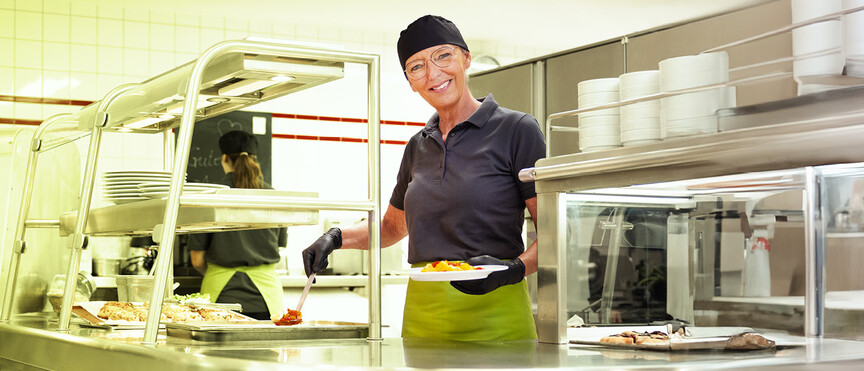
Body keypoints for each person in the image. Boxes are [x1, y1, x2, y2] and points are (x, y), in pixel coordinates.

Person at [302, 15, 546, 341]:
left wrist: (514, 270)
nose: (433, 73)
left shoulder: (517, 130)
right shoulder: (417, 145)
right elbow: (392, 228)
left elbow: (554, 233)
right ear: (410, 80)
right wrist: (335, 237)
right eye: (417, 67)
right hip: (423, 316)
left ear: (466, 58)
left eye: (443, 56)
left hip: (496, 312)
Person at [188, 130, 287, 320]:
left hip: (221, 297)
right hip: (266, 299)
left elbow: (197, 261)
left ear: (224, 158)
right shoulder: (274, 196)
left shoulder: (209, 197)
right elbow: (280, 246)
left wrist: (219, 272)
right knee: (267, 349)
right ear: (255, 159)